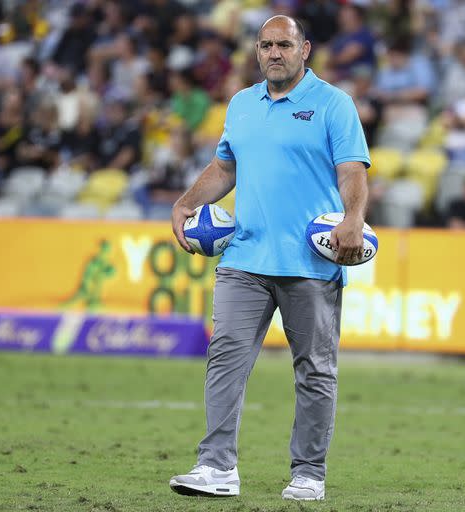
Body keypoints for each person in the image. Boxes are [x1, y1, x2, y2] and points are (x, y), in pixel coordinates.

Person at [169, 15, 370, 501]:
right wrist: (186, 202)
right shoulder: (241, 103)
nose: (274, 53)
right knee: (224, 361)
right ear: (257, 51)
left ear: (306, 49)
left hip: (310, 261)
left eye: (284, 44)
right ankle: (216, 468)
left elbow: (352, 172)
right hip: (244, 257)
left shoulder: (333, 105)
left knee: (315, 370)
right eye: (265, 45)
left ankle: (308, 474)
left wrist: (353, 218)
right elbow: (224, 166)